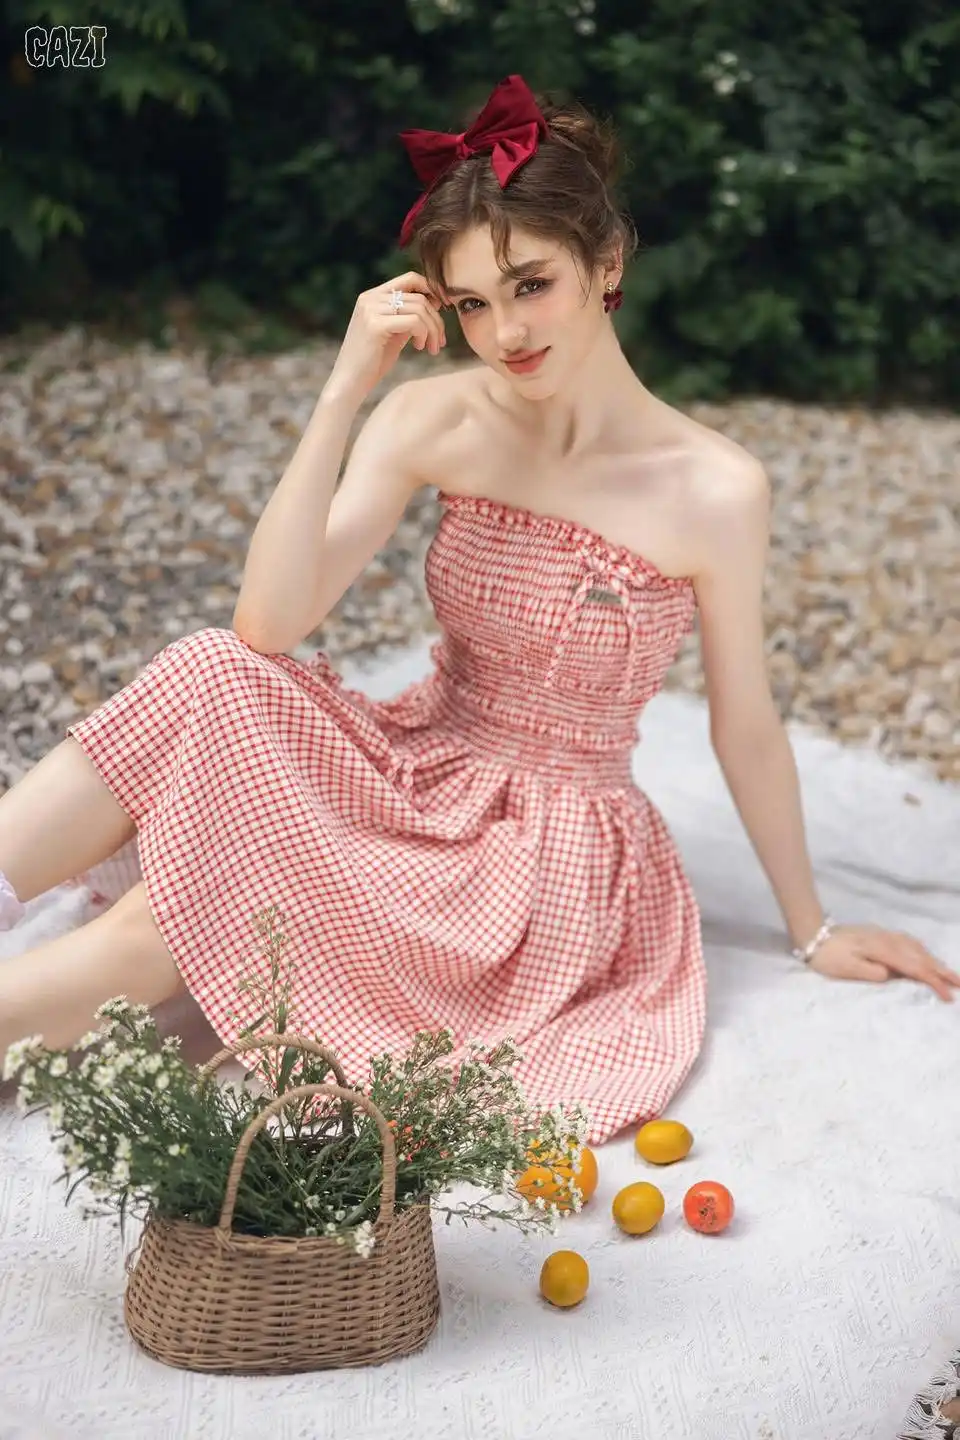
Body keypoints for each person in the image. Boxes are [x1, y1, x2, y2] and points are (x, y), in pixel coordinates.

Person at [0, 75, 955, 1142]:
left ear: (607, 262)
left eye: (531, 285)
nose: (505, 331)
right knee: (208, 665)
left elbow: (746, 721)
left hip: (534, 865)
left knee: (174, 915)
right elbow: (266, 626)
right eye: (470, 304)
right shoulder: (438, 419)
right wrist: (343, 391)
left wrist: (811, 926)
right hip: (412, 767)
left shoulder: (715, 488)